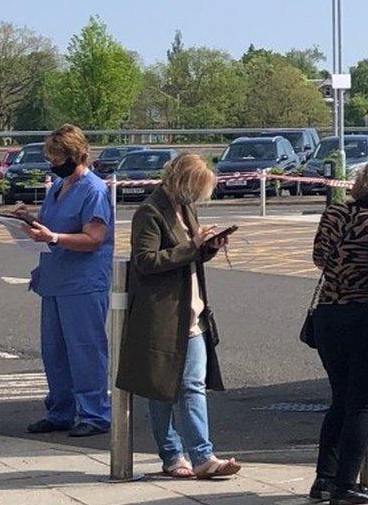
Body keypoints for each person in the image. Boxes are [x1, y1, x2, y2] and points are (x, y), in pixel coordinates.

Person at [115, 153, 239, 478]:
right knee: (162, 387)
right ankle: (172, 454)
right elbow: (146, 261)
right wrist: (193, 245)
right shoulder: (150, 212)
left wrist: (208, 246)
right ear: (183, 183)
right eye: (197, 189)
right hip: (163, 313)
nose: (199, 197)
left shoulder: (186, 208)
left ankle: (202, 455)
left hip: (192, 312)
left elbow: (191, 255)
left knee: (192, 384)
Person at [19, 124, 113, 438]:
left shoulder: (94, 190)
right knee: (55, 350)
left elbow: (94, 238)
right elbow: (50, 227)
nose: (52, 161)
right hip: (56, 279)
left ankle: (95, 413)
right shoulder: (58, 188)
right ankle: (61, 410)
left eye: (56, 155)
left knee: (85, 349)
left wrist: (55, 237)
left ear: (74, 154)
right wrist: (29, 221)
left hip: (83, 282)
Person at [308, 165, 368, 505]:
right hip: (364, 312)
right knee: (364, 401)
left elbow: (319, 258)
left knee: (339, 397)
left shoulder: (335, 212)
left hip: (328, 313)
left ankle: (324, 478)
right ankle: (346, 485)